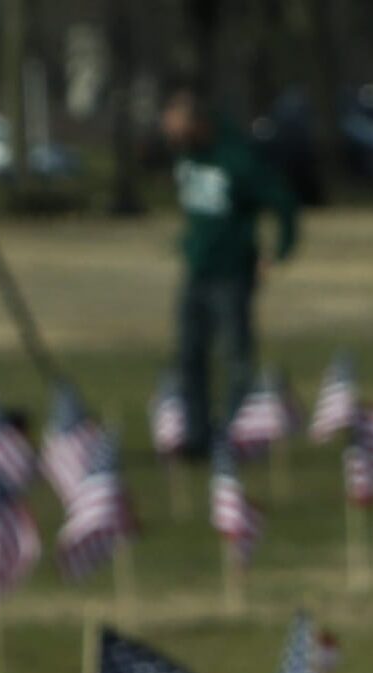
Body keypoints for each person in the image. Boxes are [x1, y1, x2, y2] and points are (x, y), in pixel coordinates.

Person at [156, 88, 296, 459]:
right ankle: (197, 437)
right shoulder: (187, 156)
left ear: (198, 123)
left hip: (231, 275)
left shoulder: (237, 157)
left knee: (235, 358)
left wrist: (278, 251)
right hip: (196, 272)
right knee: (189, 357)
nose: (173, 136)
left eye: (178, 127)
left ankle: (237, 437)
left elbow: (282, 201)